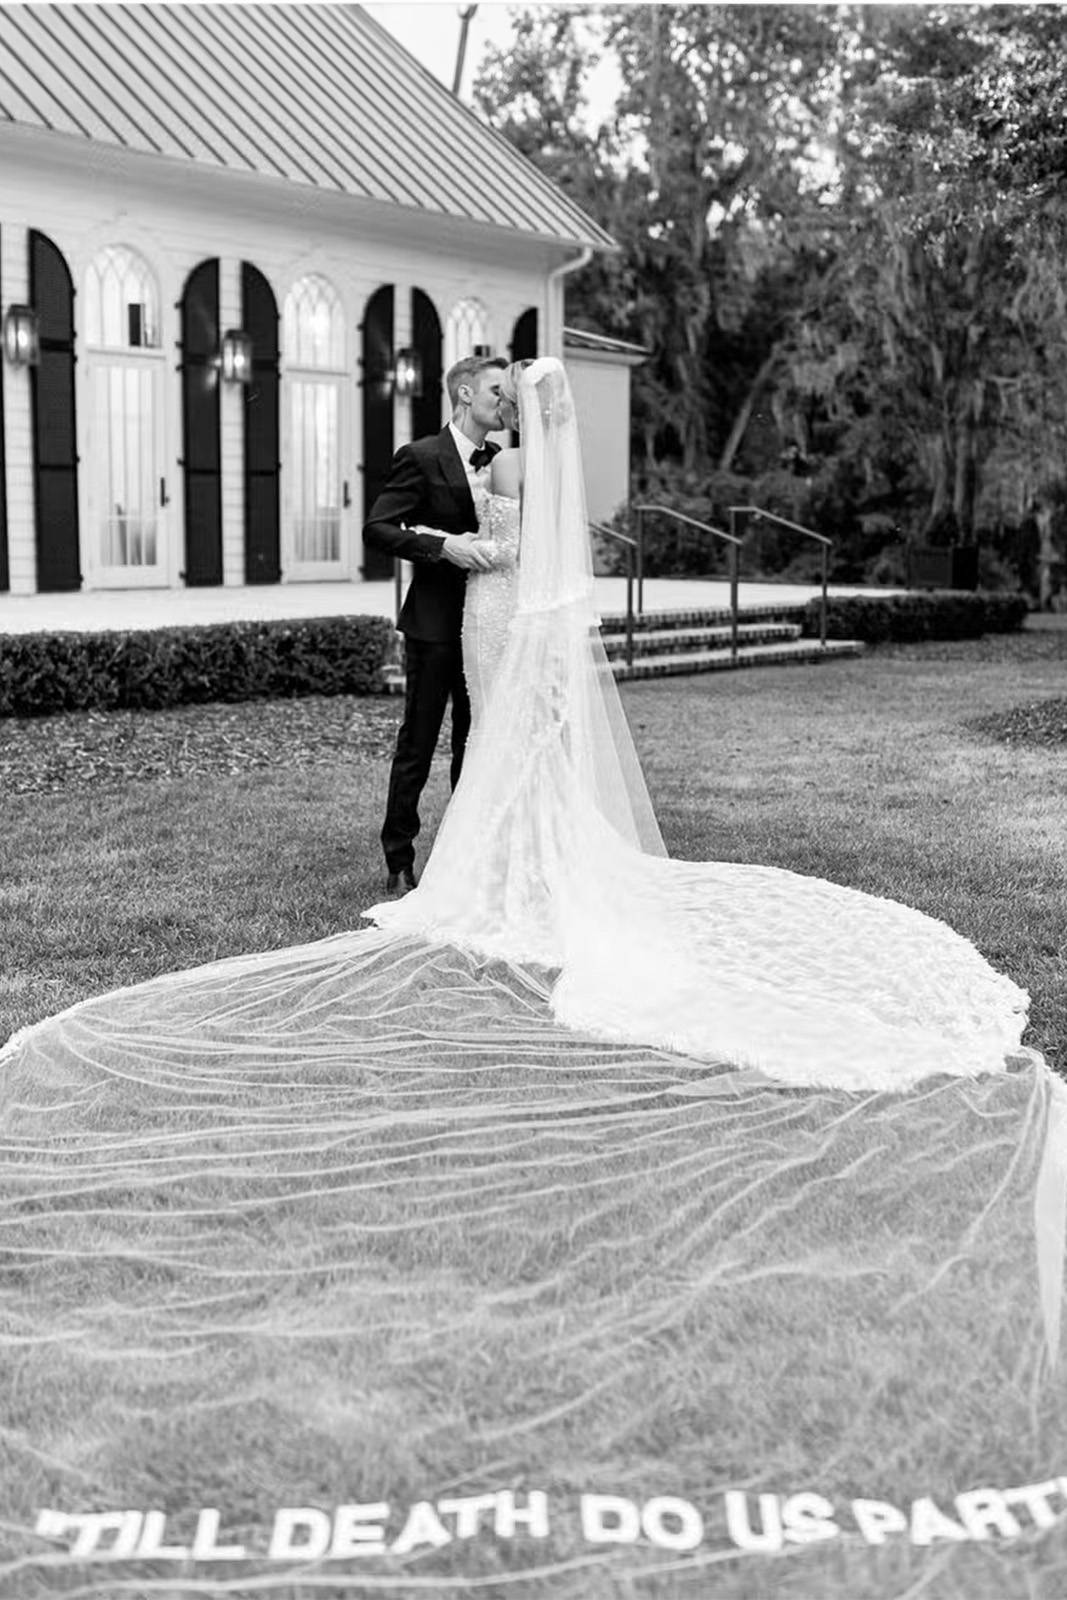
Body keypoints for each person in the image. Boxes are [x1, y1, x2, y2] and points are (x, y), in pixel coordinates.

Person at [2, 360, 1065, 1591]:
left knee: (498, 756)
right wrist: (455, 546)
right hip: (466, 614)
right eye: (496, 400)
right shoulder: (451, 458)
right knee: (436, 751)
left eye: (517, 402)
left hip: (516, 620)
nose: (505, 415)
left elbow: (532, 542)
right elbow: (397, 527)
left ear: (522, 414)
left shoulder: (522, 472)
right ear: (477, 403)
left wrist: (499, 552)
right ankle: (421, 851)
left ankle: (491, 867)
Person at [362, 353, 507, 895]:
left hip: (487, 623)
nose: (504, 401)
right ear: (465, 393)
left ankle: (462, 856)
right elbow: (377, 528)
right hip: (433, 623)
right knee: (418, 745)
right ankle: (399, 858)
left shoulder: (506, 461)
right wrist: (441, 546)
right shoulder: (421, 456)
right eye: (496, 389)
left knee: (475, 745)